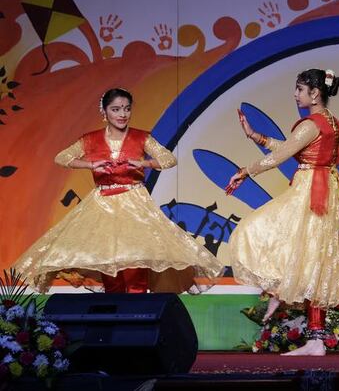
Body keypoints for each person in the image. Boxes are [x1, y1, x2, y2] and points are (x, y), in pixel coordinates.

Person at [13, 88, 224, 293]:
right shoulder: (90, 139)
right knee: (109, 265)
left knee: (136, 263)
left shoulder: (141, 138)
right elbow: (61, 157)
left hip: (134, 203)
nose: (122, 114)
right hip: (103, 205)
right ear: (104, 112)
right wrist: (90, 165)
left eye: (126, 108)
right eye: (116, 109)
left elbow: (169, 159)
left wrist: (144, 163)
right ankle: (114, 319)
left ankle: (138, 317)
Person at [226, 69, 339, 357]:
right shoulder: (331, 122)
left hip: (312, 190)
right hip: (325, 189)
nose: (296, 94)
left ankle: (281, 295)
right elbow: (290, 147)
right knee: (312, 258)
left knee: (256, 228)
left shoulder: (312, 123)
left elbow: (281, 156)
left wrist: (245, 171)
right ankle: (314, 337)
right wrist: (256, 136)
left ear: (315, 93)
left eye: (300, 89)